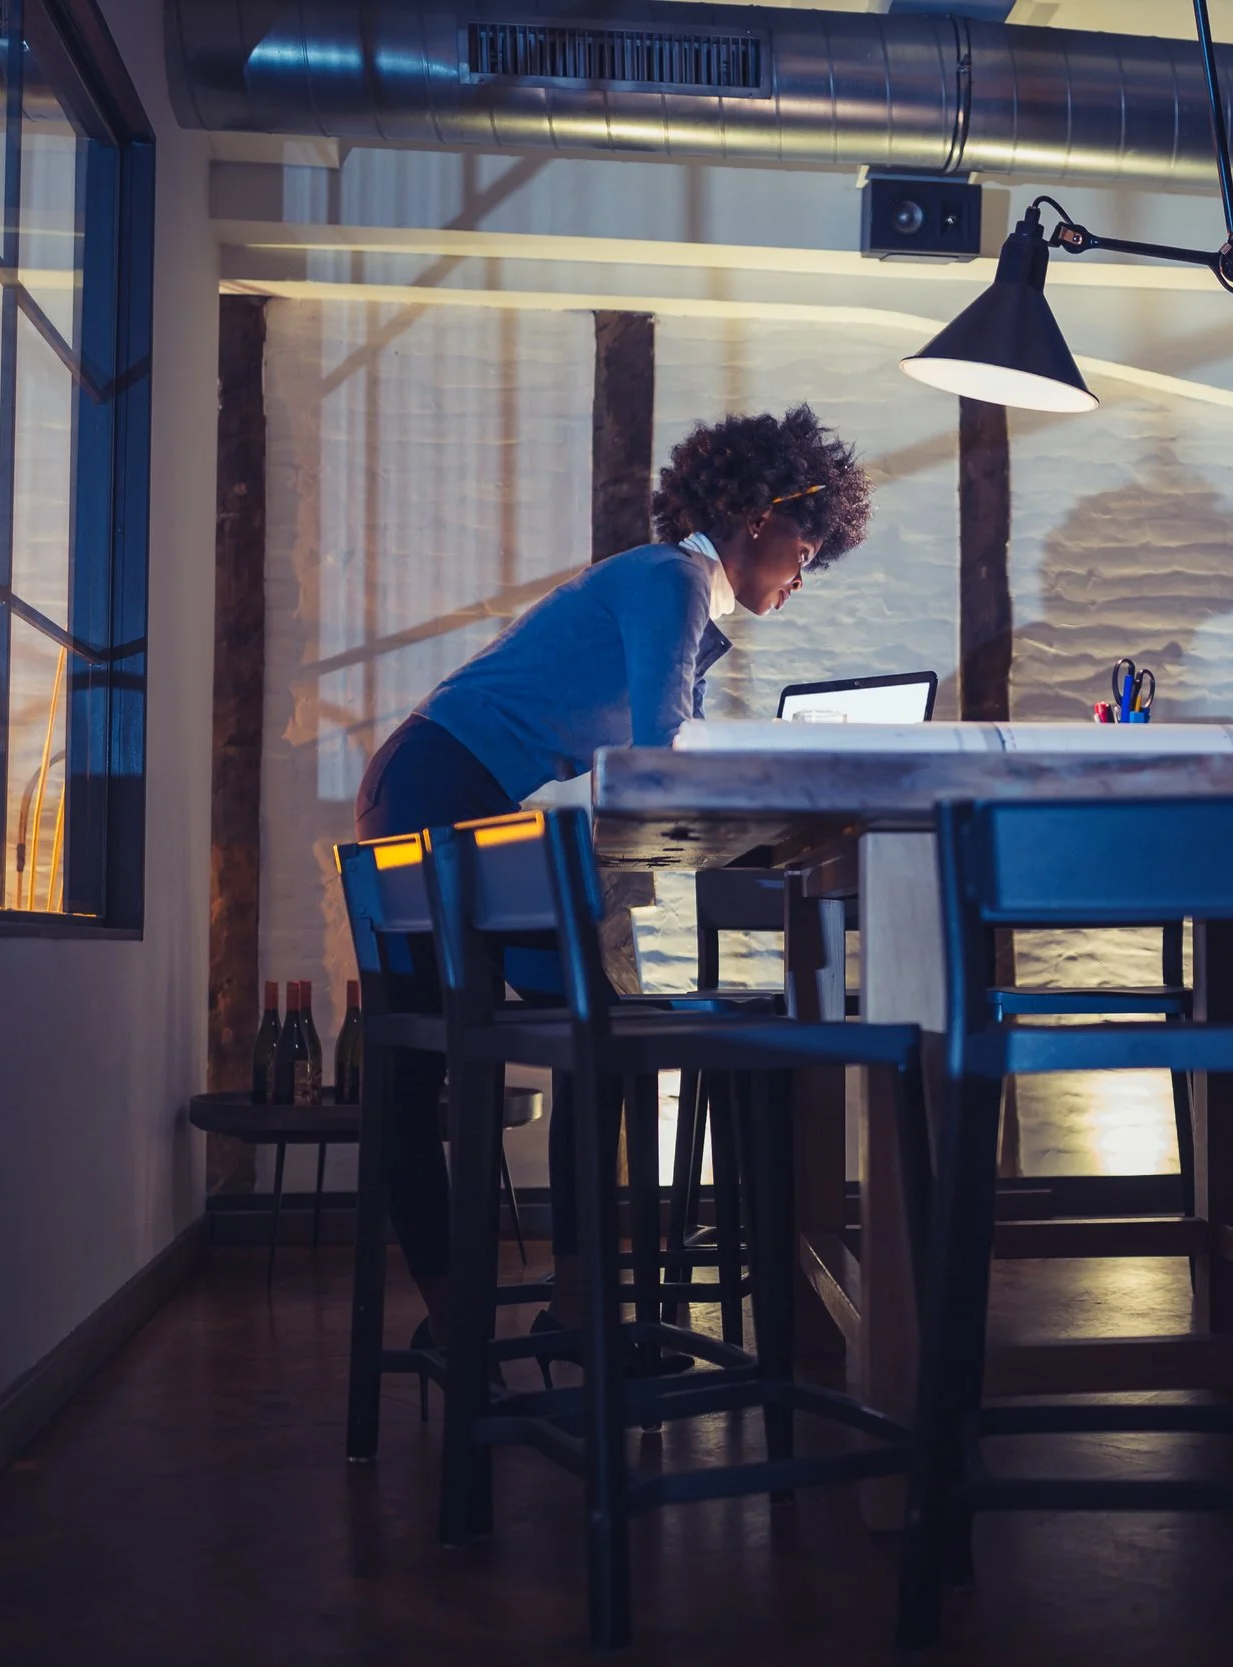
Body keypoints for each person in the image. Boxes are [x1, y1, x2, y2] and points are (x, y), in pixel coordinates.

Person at [353, 405, 873, 1366]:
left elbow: (665, 761)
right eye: (806, 549)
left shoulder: (676, 597)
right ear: (759, 513)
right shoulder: (672, 579)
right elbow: (664, 756)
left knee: (603, 1013)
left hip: (445, 789)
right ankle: (469, 1321)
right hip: (430, 791)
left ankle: (572, 1310)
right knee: (433, 1065)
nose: (805, 574)